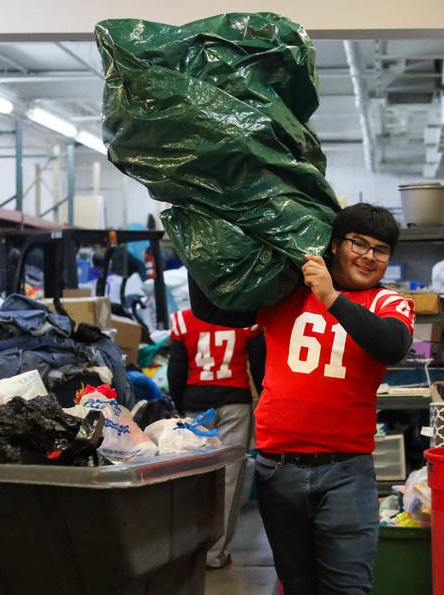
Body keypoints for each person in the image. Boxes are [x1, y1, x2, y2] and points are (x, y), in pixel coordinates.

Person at [189, 202, 415, 594]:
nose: (368, 256)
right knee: (297, 587)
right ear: (333, 244)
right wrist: (197, 237)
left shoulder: (387, 303)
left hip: (346, 473)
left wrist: (331, 297)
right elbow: (210, 307)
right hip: (278, 471)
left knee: (349, 588)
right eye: (358, 243)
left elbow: (392, 345)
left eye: (381, 250)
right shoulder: (286, 293)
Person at [167, 308, 265, 570]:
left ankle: (188, 552)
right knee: (230, 478)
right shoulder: (247, 319)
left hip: (196, 407)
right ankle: (214, 554)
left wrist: (180, 406)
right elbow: (259, 366)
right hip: (235, 402)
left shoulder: (181, 320)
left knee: (191, 478)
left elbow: (175, 371)